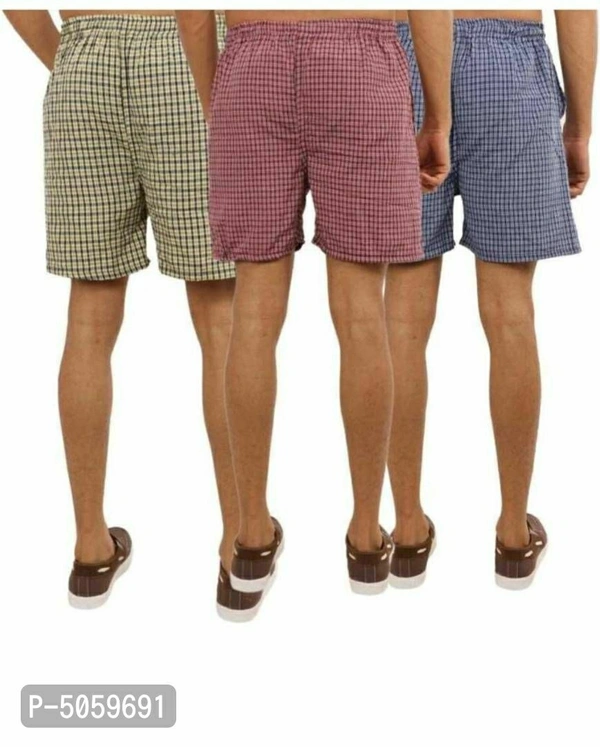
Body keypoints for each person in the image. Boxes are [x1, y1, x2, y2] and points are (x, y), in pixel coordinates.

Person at [177, 9, 452, 620]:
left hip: (252, 59)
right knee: (363, 317)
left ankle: (250, 537)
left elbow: (193, 15)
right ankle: (366, 537)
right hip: (362, 58)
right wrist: (438, 116)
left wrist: (218, 99)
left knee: (252, 317)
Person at [4, 9, 237, 608]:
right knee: (220, 317)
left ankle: (90, 546)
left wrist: (71, 60)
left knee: (88, 317)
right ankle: (240, 541)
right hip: (187, 55)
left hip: (84, 60)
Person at [387, 9, 596, 590]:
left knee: (401, 319)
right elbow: (576, 8)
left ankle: (406, 529)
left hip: (407, 58)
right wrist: (578, 128)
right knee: (510, 316)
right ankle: (512, 533)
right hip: (510, 68)